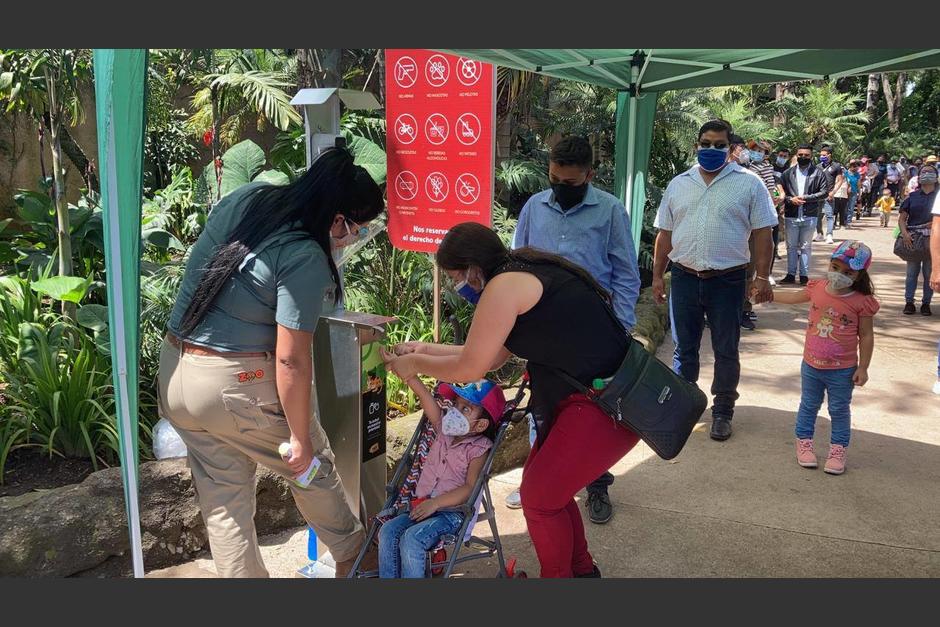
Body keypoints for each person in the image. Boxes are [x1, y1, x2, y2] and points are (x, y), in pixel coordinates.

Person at [157, 148, 385, 578]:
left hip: (177, 374)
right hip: (234, 385)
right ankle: (358, 559)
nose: (356, 237)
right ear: (337, 220)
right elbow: (291, 359)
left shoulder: (250, 198)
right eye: (358, 227)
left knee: (225, 504)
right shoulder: (305, 255)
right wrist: (299, 437)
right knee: (310, 467)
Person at [383, 222, 638, 578]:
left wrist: (414, 364)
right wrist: (422, 350)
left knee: (539, 500)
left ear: (473, 269)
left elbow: (473, 367)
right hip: (590, 399)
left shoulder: (503, 287)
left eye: (456, 276)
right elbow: (488, 355)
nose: (458, 286)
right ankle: (581, 572)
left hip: (602, 404)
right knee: (550, 494)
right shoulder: (519, 273)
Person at [505, 135, 640, 524]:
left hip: (593, 332)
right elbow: (517, 263)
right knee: (542, 409)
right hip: (543, 329)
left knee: (593, 411)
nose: (561, 189)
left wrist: (623, 327)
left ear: (589, 176)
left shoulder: (610, 211)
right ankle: (537, 481)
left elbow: (626, 275)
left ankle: (596, 486)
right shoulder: (534, 207)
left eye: (571, 184)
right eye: (554, 180)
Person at [651, 119, 777, 441]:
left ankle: (722, 411)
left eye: (719, 144)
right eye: (705, 143)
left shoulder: (749, 184)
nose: (711, 149)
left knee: (725, 348)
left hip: (728, 281)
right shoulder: (679, 184)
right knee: (684, 349)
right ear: (697, 145)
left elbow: (764, 234)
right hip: (684, 278)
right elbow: (665, 235)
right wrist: (657, 276)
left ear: (731, 148)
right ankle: (686, 405)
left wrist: (762, 277)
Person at [769, 241, 878, 475]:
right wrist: (768, 295)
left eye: (848, 272)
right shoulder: (817, 287)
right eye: (835, 267)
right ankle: (804, 442)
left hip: (843, 370)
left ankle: (838, 450)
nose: (839, 275)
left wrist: (864, 367)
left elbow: (866, 336)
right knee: (808, 405)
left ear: (859, 275)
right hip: (811, 365)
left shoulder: (861, 302)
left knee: (839, 410)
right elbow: (792, 298)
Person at [377, 378, 504, 578]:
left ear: (480, 425)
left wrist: (435, 504)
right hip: (421, 506)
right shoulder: (443, 429)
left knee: (412, 539)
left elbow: (470, 487)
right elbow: (426, 398)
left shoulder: (478, 450)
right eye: (456, 404)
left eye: (465, 409)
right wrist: (410, 376)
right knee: (388, 531)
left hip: (451, 514)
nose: (454, 411)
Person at [779, 144, 831, 285]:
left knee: (806, 246)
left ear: (811, 156)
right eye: (800, 155)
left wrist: (806, 198)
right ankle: (790, 274)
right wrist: (791, 199)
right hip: (792, 215)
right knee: (791, 246)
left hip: (810, 215)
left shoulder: (818, 173)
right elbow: (780, 193)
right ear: (796, 155)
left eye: (806, 155)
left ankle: (803, 276)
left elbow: (824, 192)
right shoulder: (787, 174)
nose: (803, 157)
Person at [898, 164, 937, 316]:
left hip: (932, 239)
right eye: (924, 172)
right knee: (911, 273)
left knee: (929, 273)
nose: (927, 174)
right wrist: (905, 234)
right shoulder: (912, 197)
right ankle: (909, 302)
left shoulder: (939, 196)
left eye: (931, 172)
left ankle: (926, 303)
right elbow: (902, 219)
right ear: (919, 177)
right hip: (913, 239)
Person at [817, 146, 844, 243]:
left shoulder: (836, 166)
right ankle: (819, 234)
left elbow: (840, 180)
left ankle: (829, 235)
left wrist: (833, 192)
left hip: (829, 195)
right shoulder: (818, 167)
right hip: (818, 194)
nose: (822, 157)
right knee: (818, 215)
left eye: (824, 155)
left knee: (829, 215)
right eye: (821, 155)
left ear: (829, 155)